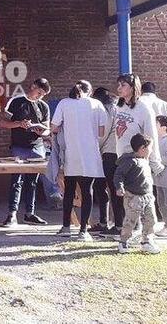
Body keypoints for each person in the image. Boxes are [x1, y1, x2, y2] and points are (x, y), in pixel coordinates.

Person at [51, 80, 108, 241]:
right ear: (89, 91)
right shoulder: (97, 104)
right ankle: (83, 230)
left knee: (68, 191)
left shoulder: (64, 103)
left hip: (71, 154)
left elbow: (54, 127)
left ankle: (65, 227)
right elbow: (101, 132)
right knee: (86, 191)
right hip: (90, 154)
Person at [110, 74, 163, 239]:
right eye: (118, 85)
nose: (119, 88)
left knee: (138, 196)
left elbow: (150, 135)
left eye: (123, 85)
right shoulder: (118, 107)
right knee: (126, 196)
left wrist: (154, 160)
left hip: (137, 158)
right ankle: (132, 229)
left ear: (133, 88)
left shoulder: (143, 108)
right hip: (122, 156)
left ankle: (143, 232)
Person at [0, 78, 52, 227]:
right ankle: (12, 214)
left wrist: (41, 130)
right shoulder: (16, 101)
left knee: (33, 181)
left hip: (37, 146)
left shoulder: (44, 106)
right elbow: (3, 122)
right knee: (17, 180)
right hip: (19, 146)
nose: (40, 97)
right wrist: (19, 124)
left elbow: (47, 129)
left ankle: (30, 213)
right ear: (33, 87)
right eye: (39, 92)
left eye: (43, 95)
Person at [114, 133, 161, 254]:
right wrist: (119, 187)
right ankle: (123, 242)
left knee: (151, 219)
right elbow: (118, 175)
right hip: (133, 197)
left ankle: (147, 241)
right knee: (130, 221)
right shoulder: (130, 161)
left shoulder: (145, 161)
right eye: (150, 148)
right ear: (142, 148)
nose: (151, 150)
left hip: (148, 196)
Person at [90, 87, 121, 237]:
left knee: (108, 189)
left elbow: (103, 134)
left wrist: (94, 149)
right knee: (106, 188)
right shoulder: (118, 107)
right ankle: (107, 223)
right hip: (115, 152)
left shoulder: (107, 109)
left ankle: (115, 224)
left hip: (108, 153)